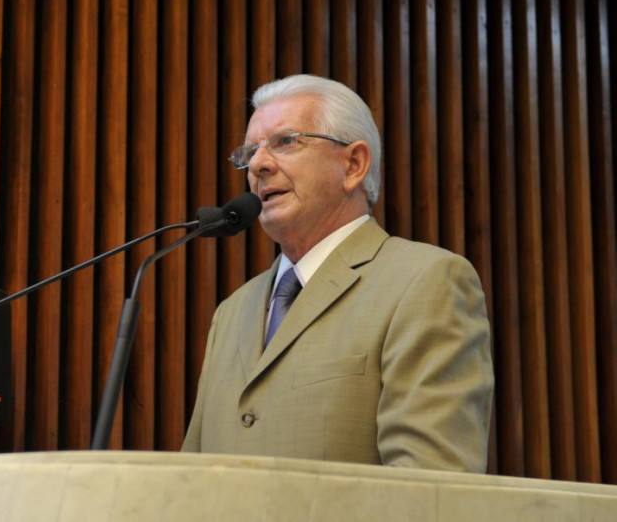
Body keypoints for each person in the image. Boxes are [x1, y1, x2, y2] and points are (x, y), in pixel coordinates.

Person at [182, 74, 494, 472]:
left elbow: (430, 491)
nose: (257, 164)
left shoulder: (425, 281)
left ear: (353, 164)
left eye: (285, 142)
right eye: (249, 152)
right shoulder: (231, 312)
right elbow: (191, 477)